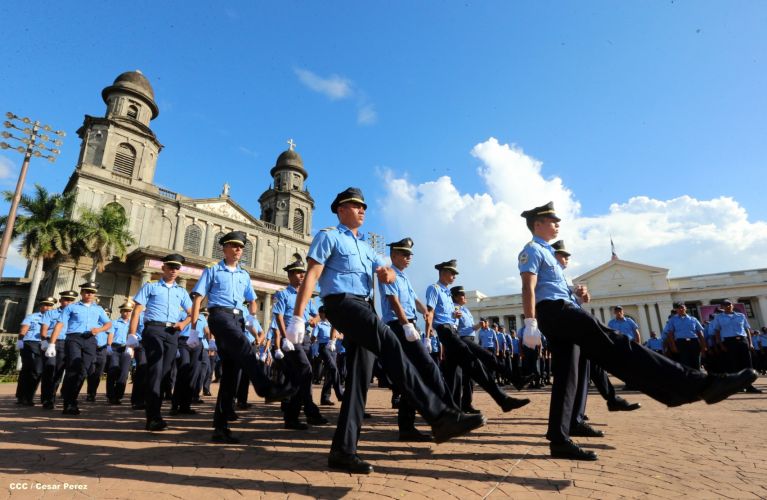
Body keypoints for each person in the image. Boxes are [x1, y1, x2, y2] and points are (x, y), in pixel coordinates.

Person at [518, 201, 757, 460]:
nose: (557, 225)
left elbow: (556, 290)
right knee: (618, 345)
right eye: (553, 221)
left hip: (561, 309)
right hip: (556, 312)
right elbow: (528, 287)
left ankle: (559, 438)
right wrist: (530, 322)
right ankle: (697, 384)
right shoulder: (531, 250)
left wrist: (579, 295)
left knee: (568, 374)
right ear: (538, 223)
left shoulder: (550, 257)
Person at [285, 187, 486, 474]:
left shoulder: (367, 247)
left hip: (365, 307)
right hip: (341, 303)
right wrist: (297, 318)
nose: (362, 210)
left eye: (364, 206)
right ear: (341, 210)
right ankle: (439, 416)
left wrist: (388, 272)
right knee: (391, 343)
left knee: (358, 380)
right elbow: (313, 275)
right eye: (355, 206)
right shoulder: (328, 236)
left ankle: (343, 451)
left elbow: (387, 270)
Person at [190, 232, 294, 444]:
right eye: (233, 246)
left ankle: (220, 427)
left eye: (241, 247)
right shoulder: (212, 270)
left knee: (231, 373)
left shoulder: (244, 275)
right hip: (219, 315)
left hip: (238, 319)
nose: (238, 250)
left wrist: (252, 320)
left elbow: (252, 300)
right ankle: (265, 388)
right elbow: (199, 298)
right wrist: (193, 329)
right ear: (224, 248)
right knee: (244, 347)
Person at [380, 236, 459, 442]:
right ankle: (448, 412)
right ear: (394, 255)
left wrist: (425, 312)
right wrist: (406, 324)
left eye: (410, 255)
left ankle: (407, 427)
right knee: (428, 369)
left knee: (415, 376)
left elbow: (413, 299)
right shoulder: (389, 274)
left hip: (409, 324)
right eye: (404, 254)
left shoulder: (404, 277)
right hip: (398, 325)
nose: (408, 258)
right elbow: (393, 301)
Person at [426, 260, 529, 413]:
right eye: (451, 272)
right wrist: (427, 337)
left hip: (452, 331)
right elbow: (430, 313)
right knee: (474, 363)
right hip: (445, 331)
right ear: (442, 272)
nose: (454, 276)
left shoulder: (447, 294)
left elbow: (447, 316)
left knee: (452, 375)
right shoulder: (433, 288)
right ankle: (503, 398)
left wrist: (454, 315)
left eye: (455, 273)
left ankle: (451, 410)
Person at [130, 254, 193, 431]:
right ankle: (153, 417)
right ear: (163, 267)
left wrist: (183, 324)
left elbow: (191, 312)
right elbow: (137, 311)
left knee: (164, 374)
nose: (174, 270)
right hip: (154, 330)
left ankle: (155, 413)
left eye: (177, 268)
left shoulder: (181, 292)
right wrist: (132, 334)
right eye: (171, 266)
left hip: (172, 333)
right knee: (156, 371)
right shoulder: (150, 287)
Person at [272, 254, 327, 430]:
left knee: (300, 377)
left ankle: (292, 417)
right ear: (289, 275)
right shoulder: (283, 294)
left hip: (304, 339)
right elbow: (278, 316)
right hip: (291, 339)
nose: (302, 275)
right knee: (306, 370)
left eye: (303, 272)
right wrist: (284, 338)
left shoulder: (307, 296)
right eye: (297, 272)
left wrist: (316, 320)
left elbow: (318, 314)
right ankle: (310, 411)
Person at [49, 281, 113, 416]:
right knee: (73, 368)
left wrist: (99, 329)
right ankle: (69, 404)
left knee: (84, 371)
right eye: (87, 291)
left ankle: (72, 399)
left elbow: (108, 324)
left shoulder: (99, 309)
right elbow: (60, 324)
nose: (90, 294)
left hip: (90, 340)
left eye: (92, 292)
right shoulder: (71, 307)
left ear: (95, 295)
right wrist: (52, 343)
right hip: (74, 338)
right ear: (82, 293)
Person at [712, 300, 761, 393]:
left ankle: (749, 385)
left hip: (742, 341)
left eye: (729, 304)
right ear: (722, 307)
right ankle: (736, 386)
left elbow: (747, 330)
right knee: (733, 364)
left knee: (747, 364)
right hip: (729, 342)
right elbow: (717, 332)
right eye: (725, 305)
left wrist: (750, 343)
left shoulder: (741, 316)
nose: (728, 306)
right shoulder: (719, 317)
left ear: (732, 305)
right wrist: (721, 345)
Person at [40, 290, 78, 409]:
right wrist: (45, 342)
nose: (68, 302)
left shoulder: (75, 314)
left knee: (60, 372)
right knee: (50, 370)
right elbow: (44, 329)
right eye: (66, 299)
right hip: (53, 343)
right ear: (61, 300)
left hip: (69, 343)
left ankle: (56, 398)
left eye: (71, 300)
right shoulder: (51, 313)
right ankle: (47, 399)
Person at [16, 297, 56, 406]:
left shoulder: (55, 318)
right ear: (41, 306)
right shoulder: (32, 317)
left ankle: (28, 397)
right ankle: (22, 396)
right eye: (45, 305)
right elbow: (23, 330)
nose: (48, 307)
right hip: (29, 343)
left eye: (50, 305)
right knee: (27, 369)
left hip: (44, 344)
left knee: (37, 371)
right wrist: (19, 342)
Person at [452, 285, 481, 412]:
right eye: (462, 295)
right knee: (461, 376)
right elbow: (454, 328)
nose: (465, 297)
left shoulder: (466, 310)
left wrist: (479, 326)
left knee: (470, 376)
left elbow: (470, 328)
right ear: (456, 297)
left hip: (471, 340)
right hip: (462, 341)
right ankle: (457, 405)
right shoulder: (454, 309)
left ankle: (467, 403)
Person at [314, 306, 344, 406]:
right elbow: (313, 337)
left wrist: (336, 336)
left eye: (323, 312)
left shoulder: (333, 324)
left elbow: (341, 335)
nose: (322, 314)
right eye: (321, 312)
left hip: (333, 347)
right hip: (324, 347)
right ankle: (340, 394)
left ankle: (325, 398)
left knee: (329, 374)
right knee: (334, 369)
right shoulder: (318, 325)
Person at [106, 302, 134, 405]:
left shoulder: (133, 323)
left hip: (127, 348)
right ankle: (111, 396)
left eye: (129, 311)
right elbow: (111, 334)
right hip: (115, 348)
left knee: (124, 373)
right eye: (125, 311)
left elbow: (134, 336)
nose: (127, 313)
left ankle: (118, 396)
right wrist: (108, 345)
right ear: (121, 311)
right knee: (113, 370)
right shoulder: (114, 322)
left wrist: (132, 349)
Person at [663, 303, 706, 370]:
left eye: (682, 307)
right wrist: (673, 346)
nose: (681, 309)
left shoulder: (693, 319)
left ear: (685, 308)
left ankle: (698, 378)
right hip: (681, 343)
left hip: (694, 342)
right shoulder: (672, 320)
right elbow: (670, 334)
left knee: (696, 363)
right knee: (685, 363)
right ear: (676, 310)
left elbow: (700, 332)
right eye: (678, 308)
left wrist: (703, 346)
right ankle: (688, 379)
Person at [87, 307, 111, 402]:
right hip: (93, 349)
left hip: (103, 349)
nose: (106, 314)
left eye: (108, 313)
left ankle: (93, 392)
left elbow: (111, 335)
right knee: (91, 372)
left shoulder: (109, 325)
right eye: (105, 313)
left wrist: (109, 346)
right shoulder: (93, 323)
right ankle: (90, 393)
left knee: (98, 373)